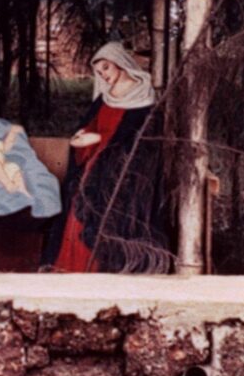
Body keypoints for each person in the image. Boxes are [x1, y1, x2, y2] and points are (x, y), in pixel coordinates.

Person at [43, 41, 168, 273]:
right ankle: (72, 266)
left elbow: (140, 141)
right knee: (77, 201)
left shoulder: (144, 97)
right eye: (99, 72)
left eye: (106, 68)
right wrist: (83, 134)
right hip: (95, 163)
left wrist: (99, 139)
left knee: (104, 209)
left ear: (120, 63)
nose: (104, 75)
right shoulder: (106, 97)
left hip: (125, 173)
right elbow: (91, 124)